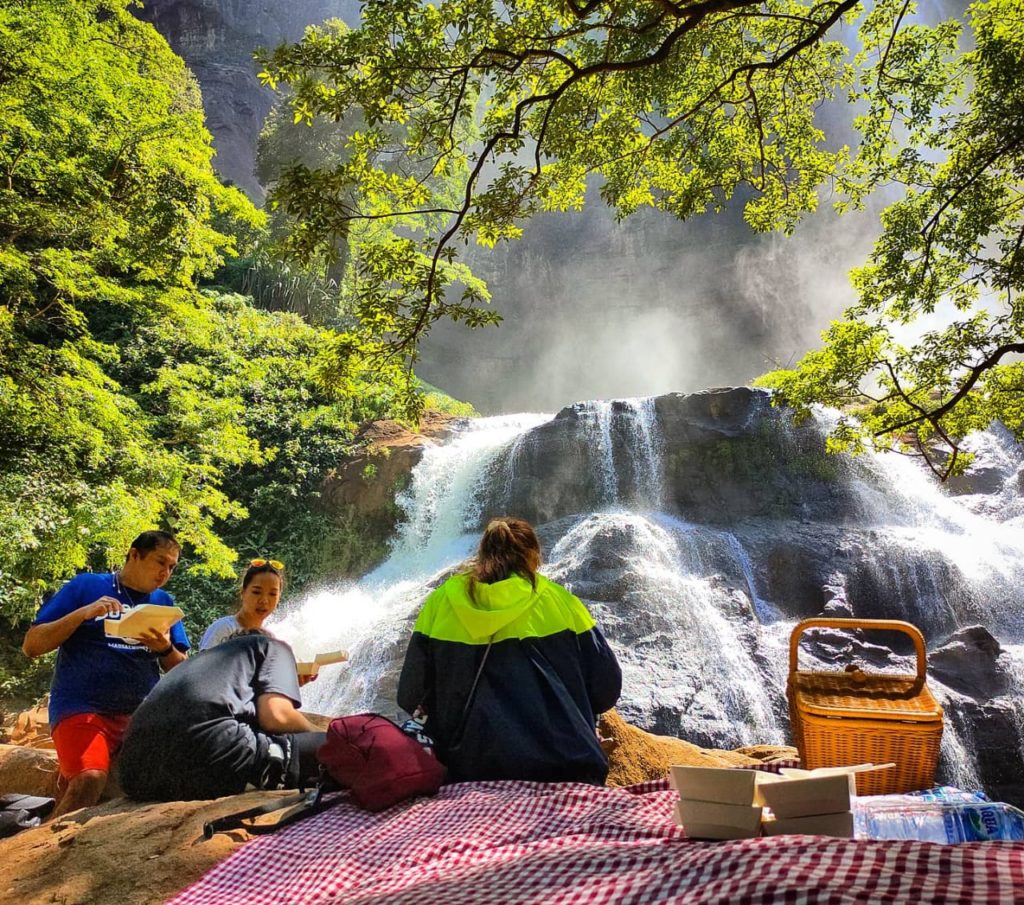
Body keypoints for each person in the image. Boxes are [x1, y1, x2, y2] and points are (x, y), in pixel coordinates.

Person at [397, 516, 622, 785]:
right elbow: (606, 689)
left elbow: (410, 695)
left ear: (482, 554)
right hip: (564, 767)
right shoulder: (561, 601)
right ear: (533, 557)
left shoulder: (440, 602)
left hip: (465, 771)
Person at [21, 530, 189, 818]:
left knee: (180, 776)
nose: (166, 572)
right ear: (134, 554)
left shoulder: (163, 602)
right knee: (90, 779)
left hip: (141, 714)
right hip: (83, 708)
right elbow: (32, 646)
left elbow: (181, 668)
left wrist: (164, 647)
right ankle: (42, 851)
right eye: (161, 562)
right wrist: (83, 614)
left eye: (172, 567)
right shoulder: (87, 586)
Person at [118, 629, 326, 801]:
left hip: (135, 776)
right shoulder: (272, 645)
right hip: (208, 753)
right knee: (346, 745)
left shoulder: (198, 665)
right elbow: (277, 716)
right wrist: (327, 735)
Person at [199, 559, 283, 649]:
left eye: (272, 594)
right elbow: (204, 663)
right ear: (243, 592)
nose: (264, 600)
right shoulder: (223, 629)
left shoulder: (270, 639)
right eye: (256, 592)